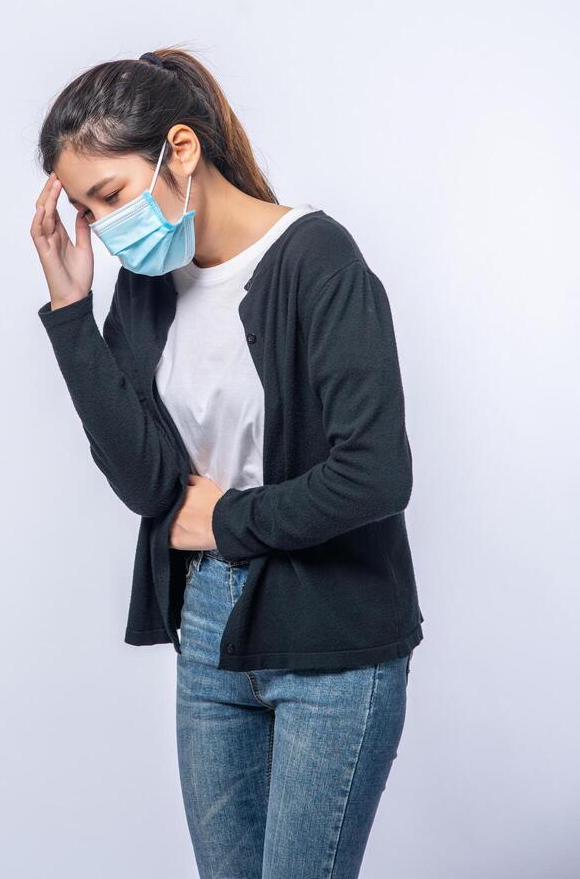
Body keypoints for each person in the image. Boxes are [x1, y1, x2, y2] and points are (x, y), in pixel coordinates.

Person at [30, 47, 424, 879]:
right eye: (86, 212)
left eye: (108, 197)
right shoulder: (145, 287)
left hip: (332, 637)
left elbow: (378, 472)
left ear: (180, 150)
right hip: (208, 623)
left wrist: (230, 519)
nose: (102, 230)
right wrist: (72, 312)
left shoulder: (317, 259)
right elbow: (146, 486)